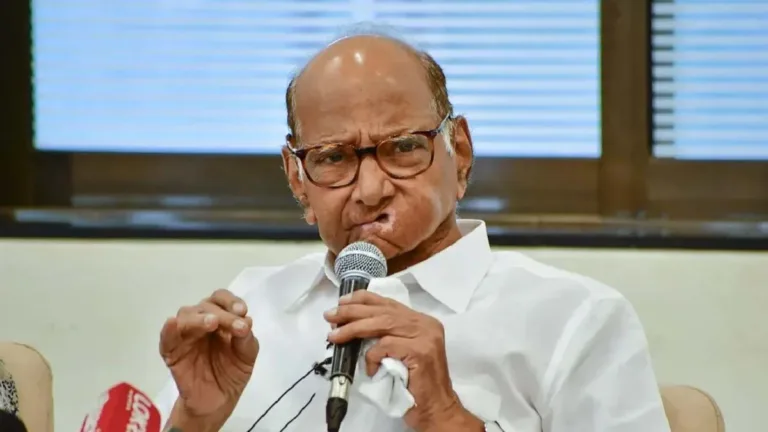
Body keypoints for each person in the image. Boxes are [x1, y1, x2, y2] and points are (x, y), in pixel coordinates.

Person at [154, 30, 671, 432]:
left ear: (460, 153)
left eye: (403, 148)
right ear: (297, 180)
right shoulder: (249, 310)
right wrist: (194, 421)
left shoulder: (575, 319)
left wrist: (448, 417)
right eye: (333, 158)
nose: (370, 189)